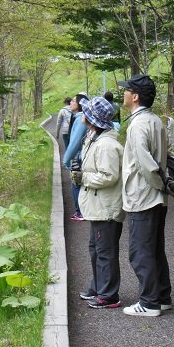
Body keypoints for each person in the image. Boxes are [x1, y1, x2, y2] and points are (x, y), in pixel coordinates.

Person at [117, 74, 171, 317]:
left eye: (126, 90)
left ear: (135, 96)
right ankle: (162, 297)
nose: (124, 93)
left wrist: (159, 184)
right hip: (156, 196)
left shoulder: (137, 124)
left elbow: (145, 163)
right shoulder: (155, 120)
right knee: (155, 248)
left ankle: (149, 303)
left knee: (140, 251)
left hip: (143, 195)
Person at [71, 96, 125, 309]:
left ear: (92, 118)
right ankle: (98, 286)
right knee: (96, 248)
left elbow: (109, 176)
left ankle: (109, 295)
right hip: (97, 205)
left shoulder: (107, 145)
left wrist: (82, 177)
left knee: (105, 251)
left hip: (106, 207)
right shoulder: (95, 137)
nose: (83, 115)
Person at [63, 92, 89, 221]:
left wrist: (66, 159)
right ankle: (81, 211)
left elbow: (74, 142)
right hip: (80, 156)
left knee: (76, 183)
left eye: (73, 101)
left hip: (78, 157)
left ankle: (80, 212)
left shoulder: (80, 119)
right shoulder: (80, 117)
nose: (71, 103)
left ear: (79, 104)